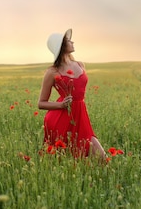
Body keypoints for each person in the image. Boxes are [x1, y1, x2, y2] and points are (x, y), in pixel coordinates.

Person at [37, 28, 107, 161]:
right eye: (68, 40)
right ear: (62, 46)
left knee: (102, 159)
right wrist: (61, 104)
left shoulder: (80, 65)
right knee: (65, 162)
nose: (72, 41)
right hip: (60, 119)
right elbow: (41, 103)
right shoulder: (52, 72)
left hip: (80, 116)